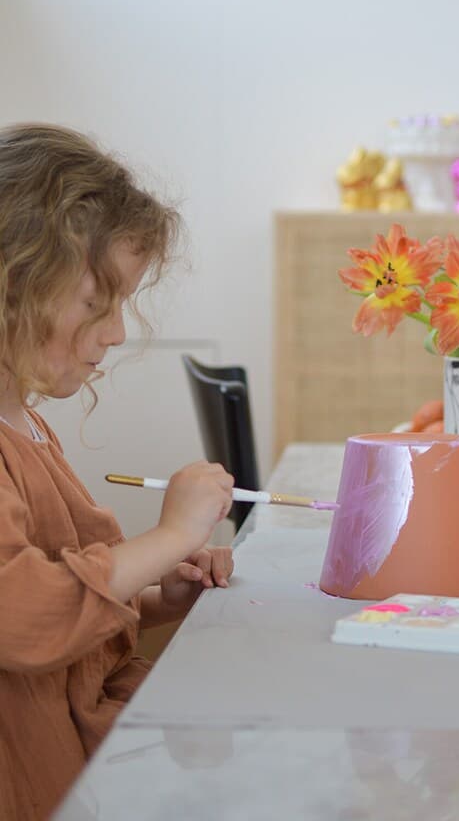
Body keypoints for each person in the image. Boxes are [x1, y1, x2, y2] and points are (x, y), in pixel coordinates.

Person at [0, 124, 236, 820]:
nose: (117, 332)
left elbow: (66, 607)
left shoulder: (27, 425)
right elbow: (20, 617)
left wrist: (155, 592)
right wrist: (166, 537)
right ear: (15, 284)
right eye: (97, 303)